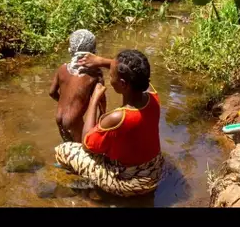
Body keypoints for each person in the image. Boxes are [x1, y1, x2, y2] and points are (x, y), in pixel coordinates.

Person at [53, 49, 164, 197]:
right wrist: (100, 61)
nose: (110, 77)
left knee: (64, 150)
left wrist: (94, 100)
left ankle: (85, 189)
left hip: (132, 183)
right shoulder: (153, 96)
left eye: (111, 75)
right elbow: (132, 72)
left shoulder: (118, 117)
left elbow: (87, 145)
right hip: (154, 170)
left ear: (123, 84)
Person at [49, 29, 106, 143]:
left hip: (59, 117)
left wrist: (65, 102)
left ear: (70, 50)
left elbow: (52, 92)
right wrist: (101, 123)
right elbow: (101, 102)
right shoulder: (95, 74)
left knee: (68, 147)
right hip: (74, 120)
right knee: (84, 148)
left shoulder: (62, 68)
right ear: (94, 52)